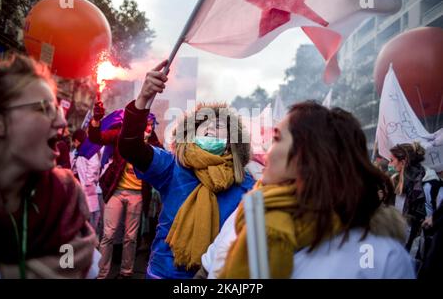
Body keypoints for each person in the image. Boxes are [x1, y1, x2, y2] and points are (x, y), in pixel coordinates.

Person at [199, 101, 415, 279]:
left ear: (309, 155)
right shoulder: (251, 211)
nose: (266, 151)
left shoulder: (383, 258)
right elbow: (208, 270)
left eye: (276, 139)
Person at [118, 60, 255, 279]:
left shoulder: (246, 185)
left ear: (231, 142)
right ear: (192, 134)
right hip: (163, 273)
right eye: (203, 124)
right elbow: (130, 147)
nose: (210, 127)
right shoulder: (173, 166)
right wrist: (143, 98)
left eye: (219, 125)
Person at [0, 54, 98, 278]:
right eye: (44, 108)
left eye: (57, 109)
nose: (61, 122)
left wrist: (65, 267)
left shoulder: (65, 197)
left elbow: (72, 262)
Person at [88, 101, 161, 279]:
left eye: (152, 125)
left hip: (137, 194)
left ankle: (126, 273)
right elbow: (98, 138)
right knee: (108, 234)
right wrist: (96, 121)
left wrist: (147, 147)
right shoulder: (122, 134)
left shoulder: (151, 140)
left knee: (130, 237)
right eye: (147, 124)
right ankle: (102, 273)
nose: (149, 127)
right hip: (117, 192)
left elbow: (161, 157)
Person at [389, 143, 428, 252]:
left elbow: (417, 217)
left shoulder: (420, 184)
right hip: (399, 237)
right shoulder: (395, 180)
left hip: (412, 241)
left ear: (403, 162)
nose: (389, 164)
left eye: (391, 160)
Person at [71, 129, 101, 236]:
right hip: (81, 190)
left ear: (77, 140)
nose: (74, 145)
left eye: (74, 142)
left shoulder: (89, 151)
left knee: (91, 220)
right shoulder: (77, 153)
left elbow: (94, 167)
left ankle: (90, 244)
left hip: (89, 190)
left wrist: (88, 182)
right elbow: (75, 168)